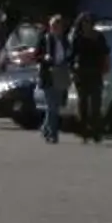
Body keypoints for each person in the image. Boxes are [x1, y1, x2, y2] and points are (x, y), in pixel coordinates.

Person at [69, 12, 111, 144]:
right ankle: (84, 131)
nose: (87, 24)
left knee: (96, 103)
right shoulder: (77, 37)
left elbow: (105, 53)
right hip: (81, 71)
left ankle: (96, 131)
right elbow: (71, 55)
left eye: (89, 22)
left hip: (95, 71)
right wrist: (71, 70)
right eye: (84, 22)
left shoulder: (98, 36)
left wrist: (106, 66)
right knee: (83, 102)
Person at [35, 14, 66, 144]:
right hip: (48, 74)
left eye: (58, 26)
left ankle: (45, 128)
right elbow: (37, 56)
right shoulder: (45, 39)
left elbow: (68, 54)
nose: (55, 28)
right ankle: (53, 134)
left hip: (60, 73)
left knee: (56, 106)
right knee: (51, 106)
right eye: (53, 26)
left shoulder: (64, 40)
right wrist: (44, 58)